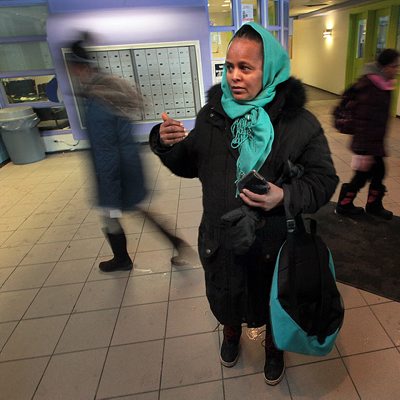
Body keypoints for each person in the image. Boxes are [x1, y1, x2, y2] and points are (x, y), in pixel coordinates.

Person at [149, 22, 338, 385]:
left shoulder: (298, 124)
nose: (234, 77)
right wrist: (165, 144)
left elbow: (323, 180)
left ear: (269, 71)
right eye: (229, 67)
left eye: (246, 68)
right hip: (221, 235)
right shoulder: (213, 115)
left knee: (271, 297)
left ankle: (273, 346)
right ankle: (231, 332)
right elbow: (190, 164)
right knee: (226, 293)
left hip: (273, 240)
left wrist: (285, 195)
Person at [66, 35, 146, 272]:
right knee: (126, 213)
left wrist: (109, 193)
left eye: (72, 69)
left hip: (116, 170)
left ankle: (122, 259)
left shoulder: (99, 101)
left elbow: (106, 152)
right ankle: (125, 257)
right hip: (127, 165)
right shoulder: (105, 88)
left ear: (80, 68)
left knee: (110, 216)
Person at [335, 48, 400, 220]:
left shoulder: (382, 84)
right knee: (367, 174)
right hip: (368, 143)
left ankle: (368, 205)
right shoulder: (372, 87)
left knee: (376, 172)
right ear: (384, 67)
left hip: (374, 141)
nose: (397, 70)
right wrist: (363, 152)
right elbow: (364, 121)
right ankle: (347, 204)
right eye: (394, 66)